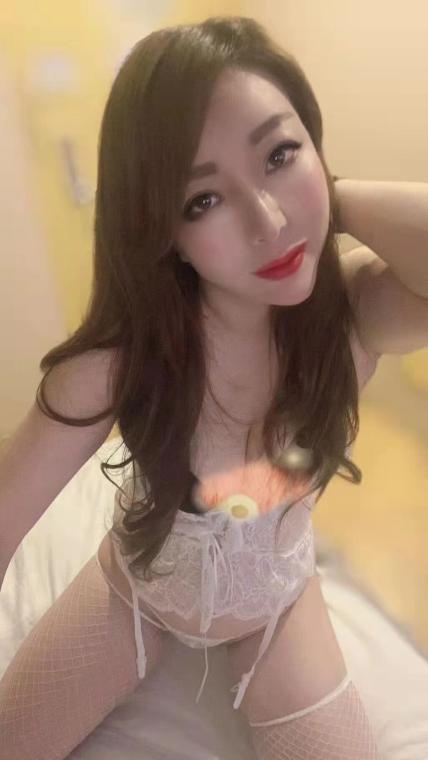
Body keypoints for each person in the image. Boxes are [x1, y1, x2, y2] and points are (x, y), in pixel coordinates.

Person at [5, 13, 426, 759]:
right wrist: (295, 182)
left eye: (280, 154)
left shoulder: (352, 312)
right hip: (139, 592)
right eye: (203, 200)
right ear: (163, 230)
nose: (268, 220)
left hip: (274, 604)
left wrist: (328, 198)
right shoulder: (126, 359)